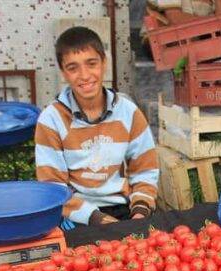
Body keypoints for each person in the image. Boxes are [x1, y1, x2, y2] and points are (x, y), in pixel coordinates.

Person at [35, 27, 159, 228]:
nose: (84, 75)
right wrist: (93, 218)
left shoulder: (128, 112)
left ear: (104, 63)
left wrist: (140, 212)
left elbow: (145, 171)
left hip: (124, 209)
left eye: (91, 64)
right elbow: (53, 187)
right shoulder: (51, 120)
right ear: (63, 73)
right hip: (76, 214)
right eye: (73, 68)